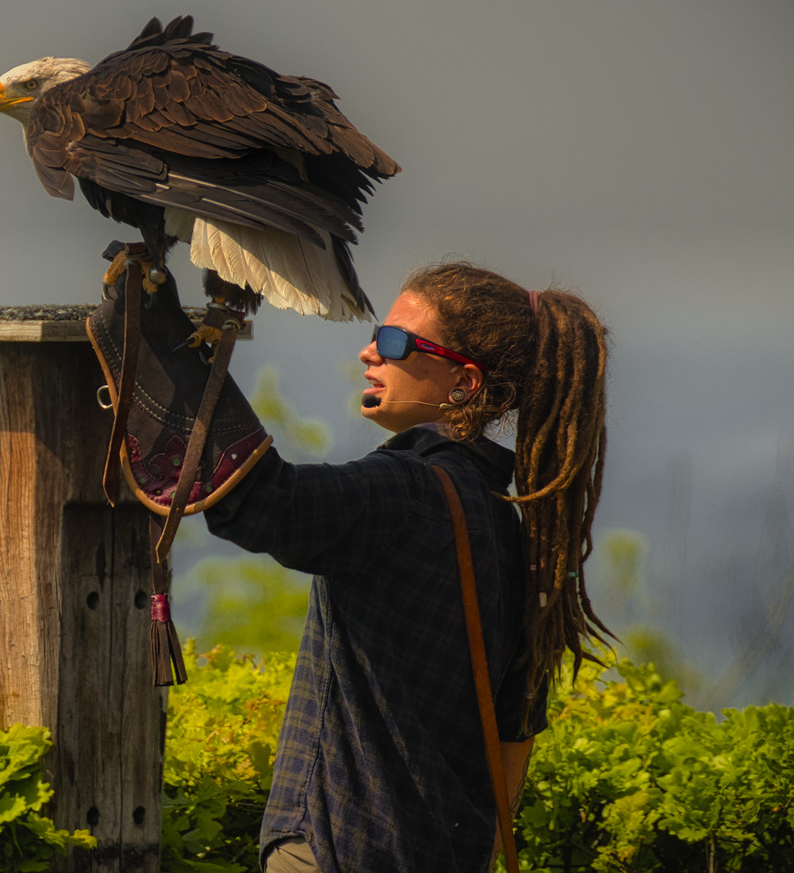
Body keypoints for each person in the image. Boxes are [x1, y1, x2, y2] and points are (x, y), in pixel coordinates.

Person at [192, 261, 612, 873]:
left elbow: (261, 505)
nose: (368, 353)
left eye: (394, 342)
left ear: (465, 383)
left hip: (335, 853)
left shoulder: (405, 491)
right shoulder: (516, 534)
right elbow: (515, 738)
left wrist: (173, 358)